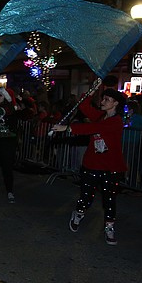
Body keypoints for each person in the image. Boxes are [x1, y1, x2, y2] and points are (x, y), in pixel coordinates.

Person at [51, 86, 127, 245]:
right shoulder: (100, 116)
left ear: (115, 103)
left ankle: (109, 227)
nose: (103, 101)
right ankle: (78, 213)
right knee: (86, 196)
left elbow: (93, 128)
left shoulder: (116, 121)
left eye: (107, 99)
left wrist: (68, 128)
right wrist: (92, 90)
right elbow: (83, 106)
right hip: (92, 164)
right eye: (103, 98)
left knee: (109, 199)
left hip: (111, 166)